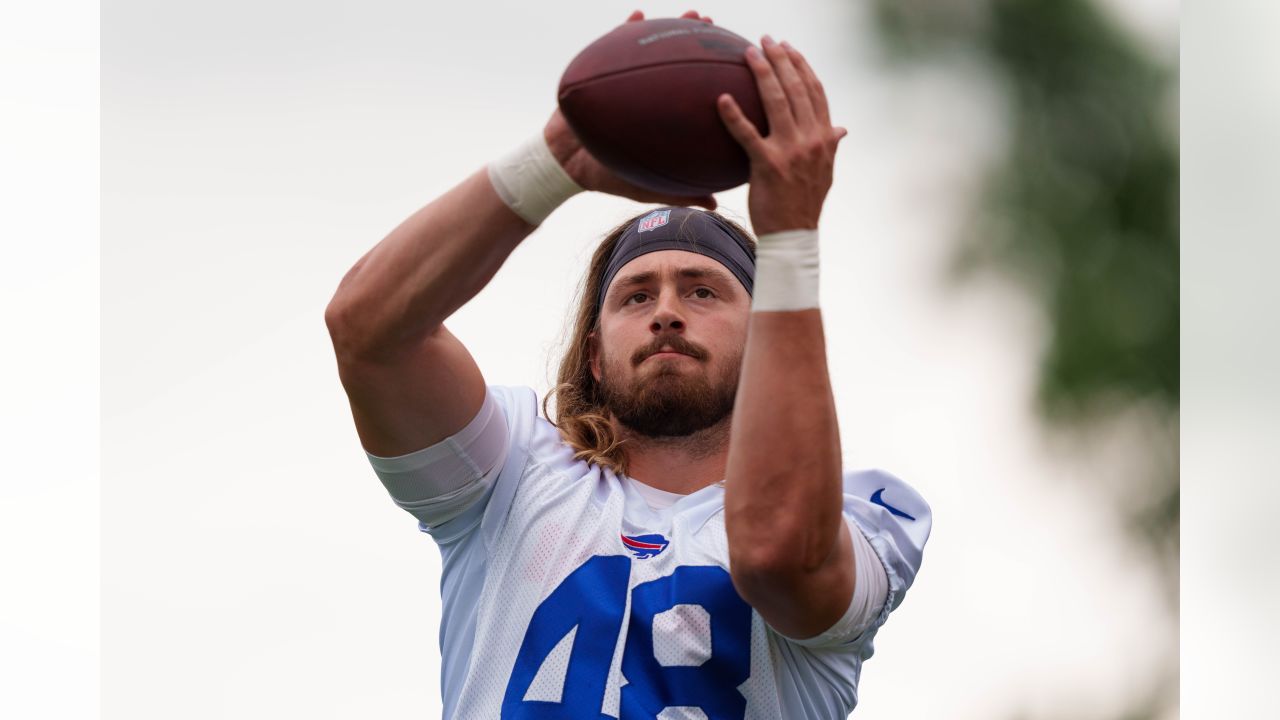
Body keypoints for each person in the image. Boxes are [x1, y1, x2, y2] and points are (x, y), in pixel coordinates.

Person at [325, 10, 931, 719]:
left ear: (769, 336)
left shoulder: (863, 516)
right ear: (595, 354)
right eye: (636, 295)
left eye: (703, 291)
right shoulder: (513, 475)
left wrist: (791, 238)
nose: (666, 311)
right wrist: (554, 162)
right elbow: (367, 329)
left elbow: (773, 554)